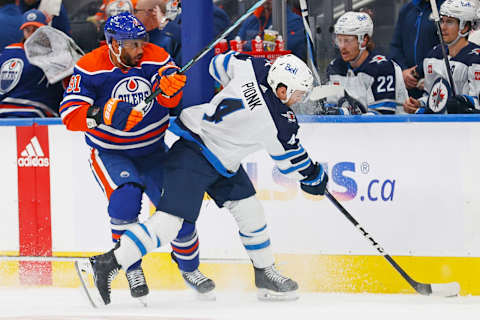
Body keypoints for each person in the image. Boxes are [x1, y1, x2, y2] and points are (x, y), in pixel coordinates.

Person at [86, 52, 328, 305]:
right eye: (299, 93)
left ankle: (264, 273)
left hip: (221, 160)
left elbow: (218, 65)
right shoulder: (278, 122)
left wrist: (236, 90)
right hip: (194, 156)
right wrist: (313, 176)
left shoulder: (254, 66)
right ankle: (107, 263)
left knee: (250, 210)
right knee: (170, 223)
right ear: (282, 89)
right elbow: (292, 161)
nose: (301, 99)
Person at [59, 12, 214, 302]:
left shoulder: (156, 56)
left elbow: (169, 95)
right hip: (111, 152)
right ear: (113, 45)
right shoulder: (90, 66)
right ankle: (130, 267)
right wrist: (101, 113)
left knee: (178, 211)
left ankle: (189, 267)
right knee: (125, 200)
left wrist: (171, 89)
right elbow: (69, 115)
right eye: (131, 44)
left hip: (153, 151)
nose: (139, 49)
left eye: (141, 42)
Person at [403, 0, 480, 114]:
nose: (442, 27)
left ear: (465, 27)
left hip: (465, 128)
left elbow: (477, 103)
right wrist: (420, 104)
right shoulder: (434, 54)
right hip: (437, 126)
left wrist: (461, 103)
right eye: (441, 21)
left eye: (449, 22)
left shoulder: (475, 60)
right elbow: (433, 97)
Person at [324, 11, 408, 115]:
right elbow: (329, 106)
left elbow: (382, 116)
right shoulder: (335, 68)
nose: (342, 46)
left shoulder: (383, 68)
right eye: (339, 40)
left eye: (347, 41)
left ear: (364, 40)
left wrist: (343, 113)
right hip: (350, 130)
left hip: (395, 129)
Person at [0, 9, 64, 117]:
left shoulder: (56, 54)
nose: (31, 34)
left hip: (38, 114)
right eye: (27, 30)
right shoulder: (8, 51)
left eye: (35, 29)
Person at [389, 0, 446, 99]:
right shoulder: (407, 9)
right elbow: (396, 46)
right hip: (408, 85)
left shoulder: (446, 8)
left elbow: (446, 46)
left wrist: (419, 71)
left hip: (436, 83)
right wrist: (403, 71)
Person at [237, 0, 306, 61]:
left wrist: (248, 45)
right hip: (250, 69)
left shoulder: (295, 21)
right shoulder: (252, 20)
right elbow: (237, 44)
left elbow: (279, 48)